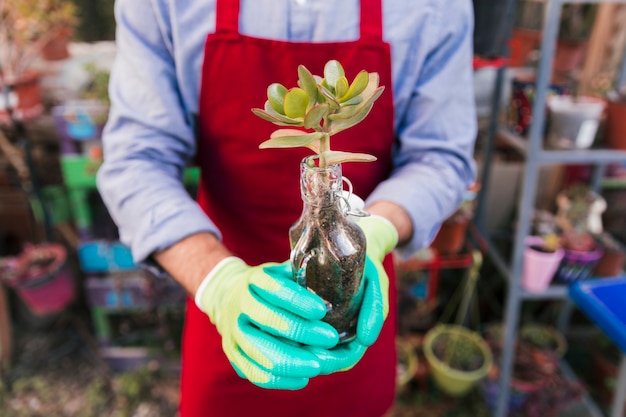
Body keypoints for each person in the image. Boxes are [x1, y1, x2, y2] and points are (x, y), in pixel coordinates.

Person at [96, 0, 477, 416]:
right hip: (235, 311)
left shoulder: (438, 8)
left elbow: (441, 158)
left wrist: (376, 230)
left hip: (350, 302)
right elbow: (136, 160)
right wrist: (219, 283)